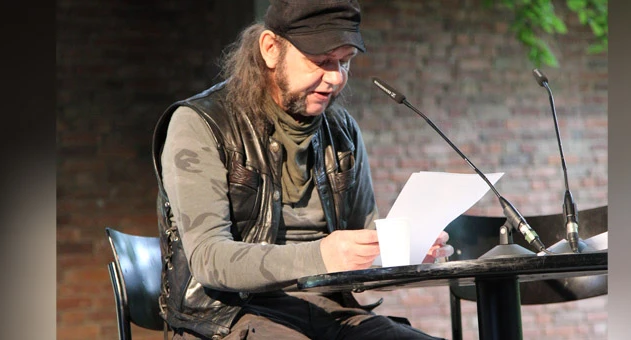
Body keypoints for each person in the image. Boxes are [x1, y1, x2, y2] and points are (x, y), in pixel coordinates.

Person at [151, 1, 452, 339]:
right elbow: (209, 259)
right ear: (270, 49)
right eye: (321, 62)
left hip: (333, 313)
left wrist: (403, 257)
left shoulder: (343, 133)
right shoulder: (199, 124)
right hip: (228, 317)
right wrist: (322, 254)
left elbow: (361, 255)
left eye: (345, 61)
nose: (336, 77)